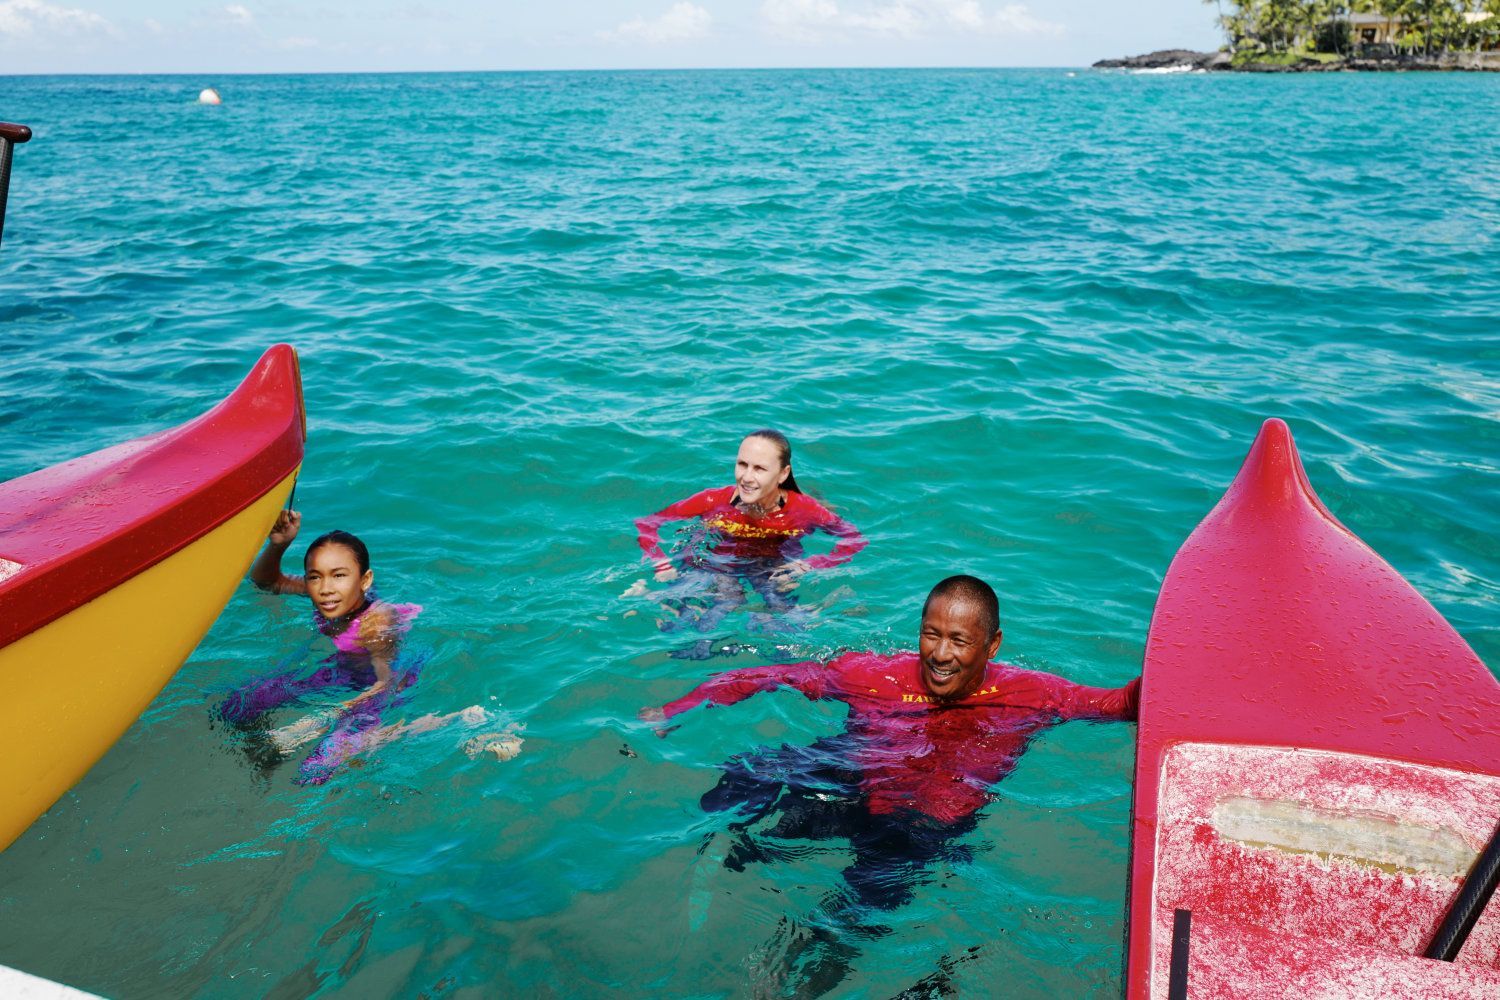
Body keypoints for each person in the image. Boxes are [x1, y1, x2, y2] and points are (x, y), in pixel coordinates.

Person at [640, 574, 1139, 911]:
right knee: (751, 770)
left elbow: (1118, 706)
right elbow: (774, 674)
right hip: (848, 781)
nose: (941, 655)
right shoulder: (874, 676)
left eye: (959, 641)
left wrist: (1187, 667)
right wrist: (675, 708)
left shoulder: (1033, 694)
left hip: (919, 827)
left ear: (993, 645)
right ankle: (695, 854)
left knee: (845, 918)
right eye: (930, 635)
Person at [218, 509, 424, 785]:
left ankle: (409, 731)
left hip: (383, 688)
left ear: (365, 580)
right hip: (342, 671)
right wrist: (278, 545)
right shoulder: (327, 594)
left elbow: (387, 685)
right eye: (315, 577)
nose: (325, 588)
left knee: (313, 771)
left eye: (339, 576)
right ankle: (263, 760)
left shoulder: (376, 623)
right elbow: (266, 582)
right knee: (238, 704)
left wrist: (318, 720)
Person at [631, 430, 866, 641]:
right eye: (742, 464)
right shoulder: (714, 500)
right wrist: (660, 562)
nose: (746, 477)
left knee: (787, 620)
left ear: (783, 474)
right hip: (718, 562)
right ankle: (650, 598)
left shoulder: (804, 509)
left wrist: (812, 564)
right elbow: (648, 523)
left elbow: (854, 540)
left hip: (771, 566)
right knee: (709, 614)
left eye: (760, 469)